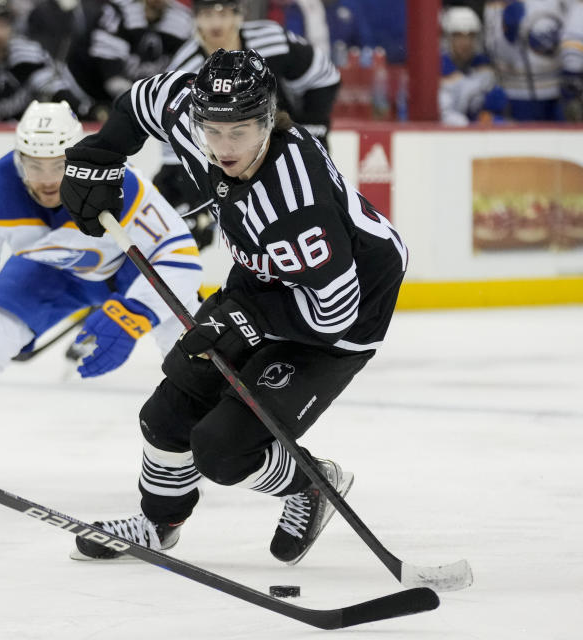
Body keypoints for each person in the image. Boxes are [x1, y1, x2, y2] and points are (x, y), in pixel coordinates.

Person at [58, 49, 408, 564]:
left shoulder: (294, 202)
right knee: (164, 416)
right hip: (264, 278)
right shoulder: (201, 121)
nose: (223, 147)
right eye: (213, 131)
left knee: (223, 450)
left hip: (343, 314)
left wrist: (246, 321)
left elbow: (334, 312)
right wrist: (101, 155)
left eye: (240, 131)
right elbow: (144, 99)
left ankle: (311, 485)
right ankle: (158, 526)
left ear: (268, 120)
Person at [0, 100, 202, 487]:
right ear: (19, 158)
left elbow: (178, 253)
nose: (47, 179)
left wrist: (137, 312)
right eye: (35, 164)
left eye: (58, 164)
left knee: (188, 340)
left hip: (129, 273)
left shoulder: (121, 182)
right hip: (50, 273)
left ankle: (209, 440)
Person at [155, 0, 340, 250]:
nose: (216, 23)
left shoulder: (271, 39)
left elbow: (324, 76)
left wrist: (313, 130)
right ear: (195, 18)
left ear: (239, 15)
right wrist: (191, 202)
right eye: (207, 14)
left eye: (223, 13)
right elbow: (174, 150)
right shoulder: (184, 70)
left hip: (279, 148)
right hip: (230, 164)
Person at [66, 0, 192, 117]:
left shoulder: (183, 20)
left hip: (140, 102)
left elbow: (184, 75)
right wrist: (147, 108)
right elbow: (113, 79)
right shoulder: (118, 11)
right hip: (89, 96)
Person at [439, 6, 508, 125]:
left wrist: (488, 112)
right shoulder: (440, 69)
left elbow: (486, 112)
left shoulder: (484, 66)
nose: (465, 42)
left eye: (470, 35)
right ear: (448, 38)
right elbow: (444, 114)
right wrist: (471, 125)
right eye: (458, 35)